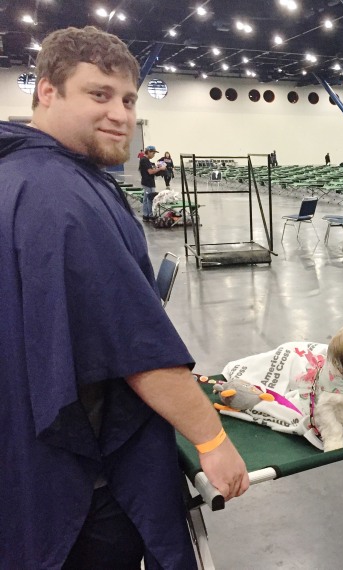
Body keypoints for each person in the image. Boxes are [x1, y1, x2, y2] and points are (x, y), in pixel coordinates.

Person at [0, 26, 249, 569]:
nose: (121, 114)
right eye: (98, 94)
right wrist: (211, 441)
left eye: (129, 99)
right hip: (81, 482)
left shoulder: (21, 175)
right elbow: (134, 347)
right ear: (47, 92)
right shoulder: (59, 196)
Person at [139, 144, 165, 220]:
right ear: (149, 152)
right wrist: (160, 169)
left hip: (147, 181)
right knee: (150, 199)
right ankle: (150, 215)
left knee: (146, 199)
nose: (153, 155)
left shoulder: (145, 160)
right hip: (148, 182)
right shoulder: (144, 160)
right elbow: (150, 172)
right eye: (153, 153)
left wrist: (157, 169)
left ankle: (146, 215)